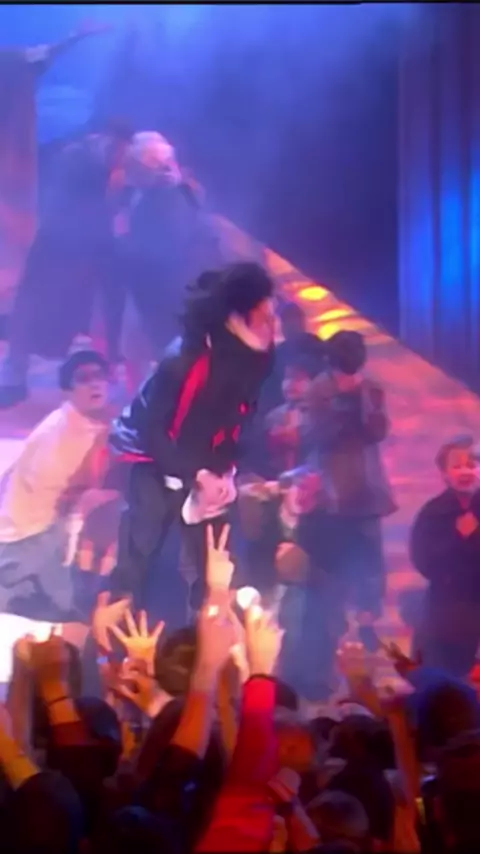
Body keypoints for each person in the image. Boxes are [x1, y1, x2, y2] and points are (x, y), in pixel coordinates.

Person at [108, 261, 275, 611]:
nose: (271, 325)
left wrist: (225, 472)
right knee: (143, 550)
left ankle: (216, 625)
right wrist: (196, 474)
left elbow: (240, 419)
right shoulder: (184, 359)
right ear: (235, 318)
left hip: (205, 460)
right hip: (156, 453)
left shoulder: (259, 357)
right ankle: (122, 618)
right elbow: (156, 431)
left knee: (219, 554)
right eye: (262, 317)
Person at [0, 117, 133, 408]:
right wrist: (111, 197)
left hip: (92, 247)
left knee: (102, 310)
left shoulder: (104, 161)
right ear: (110, 140)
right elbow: (78, 208)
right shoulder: (78, 158)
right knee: (32, 308)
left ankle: (101, 375)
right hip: (58, 245)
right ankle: (14, 378)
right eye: (121, 149)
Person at [0, 350, 120, 620]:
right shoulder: (63, 432)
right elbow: (70, 492)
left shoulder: (86, 422)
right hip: (26, 536)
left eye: (99, 376)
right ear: (68, 390)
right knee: (61, 609)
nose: (94, 384)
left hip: (41, 530)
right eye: (83, 379)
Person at [310, 330, 395, 642]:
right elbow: (318, 435)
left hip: (367, 487)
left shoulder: (371, 387)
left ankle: (367, 619)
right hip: (333, 488)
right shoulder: (319, 389)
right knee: (335, 558)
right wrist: (340, 404)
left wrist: (361, 399)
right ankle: (335, 624)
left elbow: (378, 432)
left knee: (370, 559)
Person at [115, 130, 223, 362]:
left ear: (146, 167)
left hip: (173, 301)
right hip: (175, 300)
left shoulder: (168, 200)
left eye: (132, 166)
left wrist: (122, 243)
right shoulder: (160, 195)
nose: (127, 172)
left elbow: (164, 251)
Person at [410, 435, 480, 677]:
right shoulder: (434, 513)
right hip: (448, 609)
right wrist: (458, 537)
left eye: (471, 465)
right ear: (444, 474)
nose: (465, 472)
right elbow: (424, 560)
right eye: (457, 466)